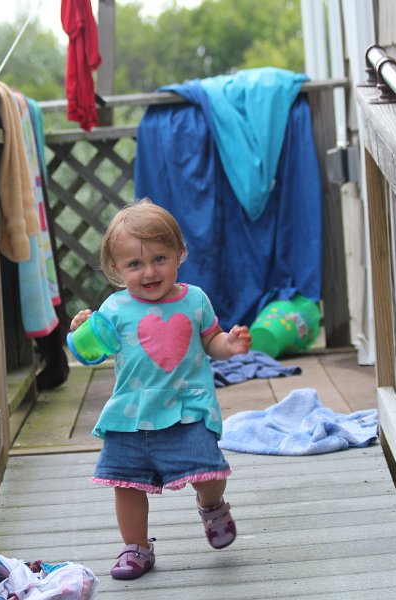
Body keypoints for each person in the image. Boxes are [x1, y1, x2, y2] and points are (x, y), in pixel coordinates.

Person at [70, 200, 252, 580]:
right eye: (135, 264)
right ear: (117, 268)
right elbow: (92, 353)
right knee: (126, 484)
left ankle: (212, 505)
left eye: (159, 259)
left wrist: (229, 345)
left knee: (209, 470)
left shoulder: (194, 299)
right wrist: (80, 332)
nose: (149, 272)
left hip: (187, 408)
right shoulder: (114, 307)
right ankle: (135, 546)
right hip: (131, 414)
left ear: (179, 254)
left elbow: (212, 340)